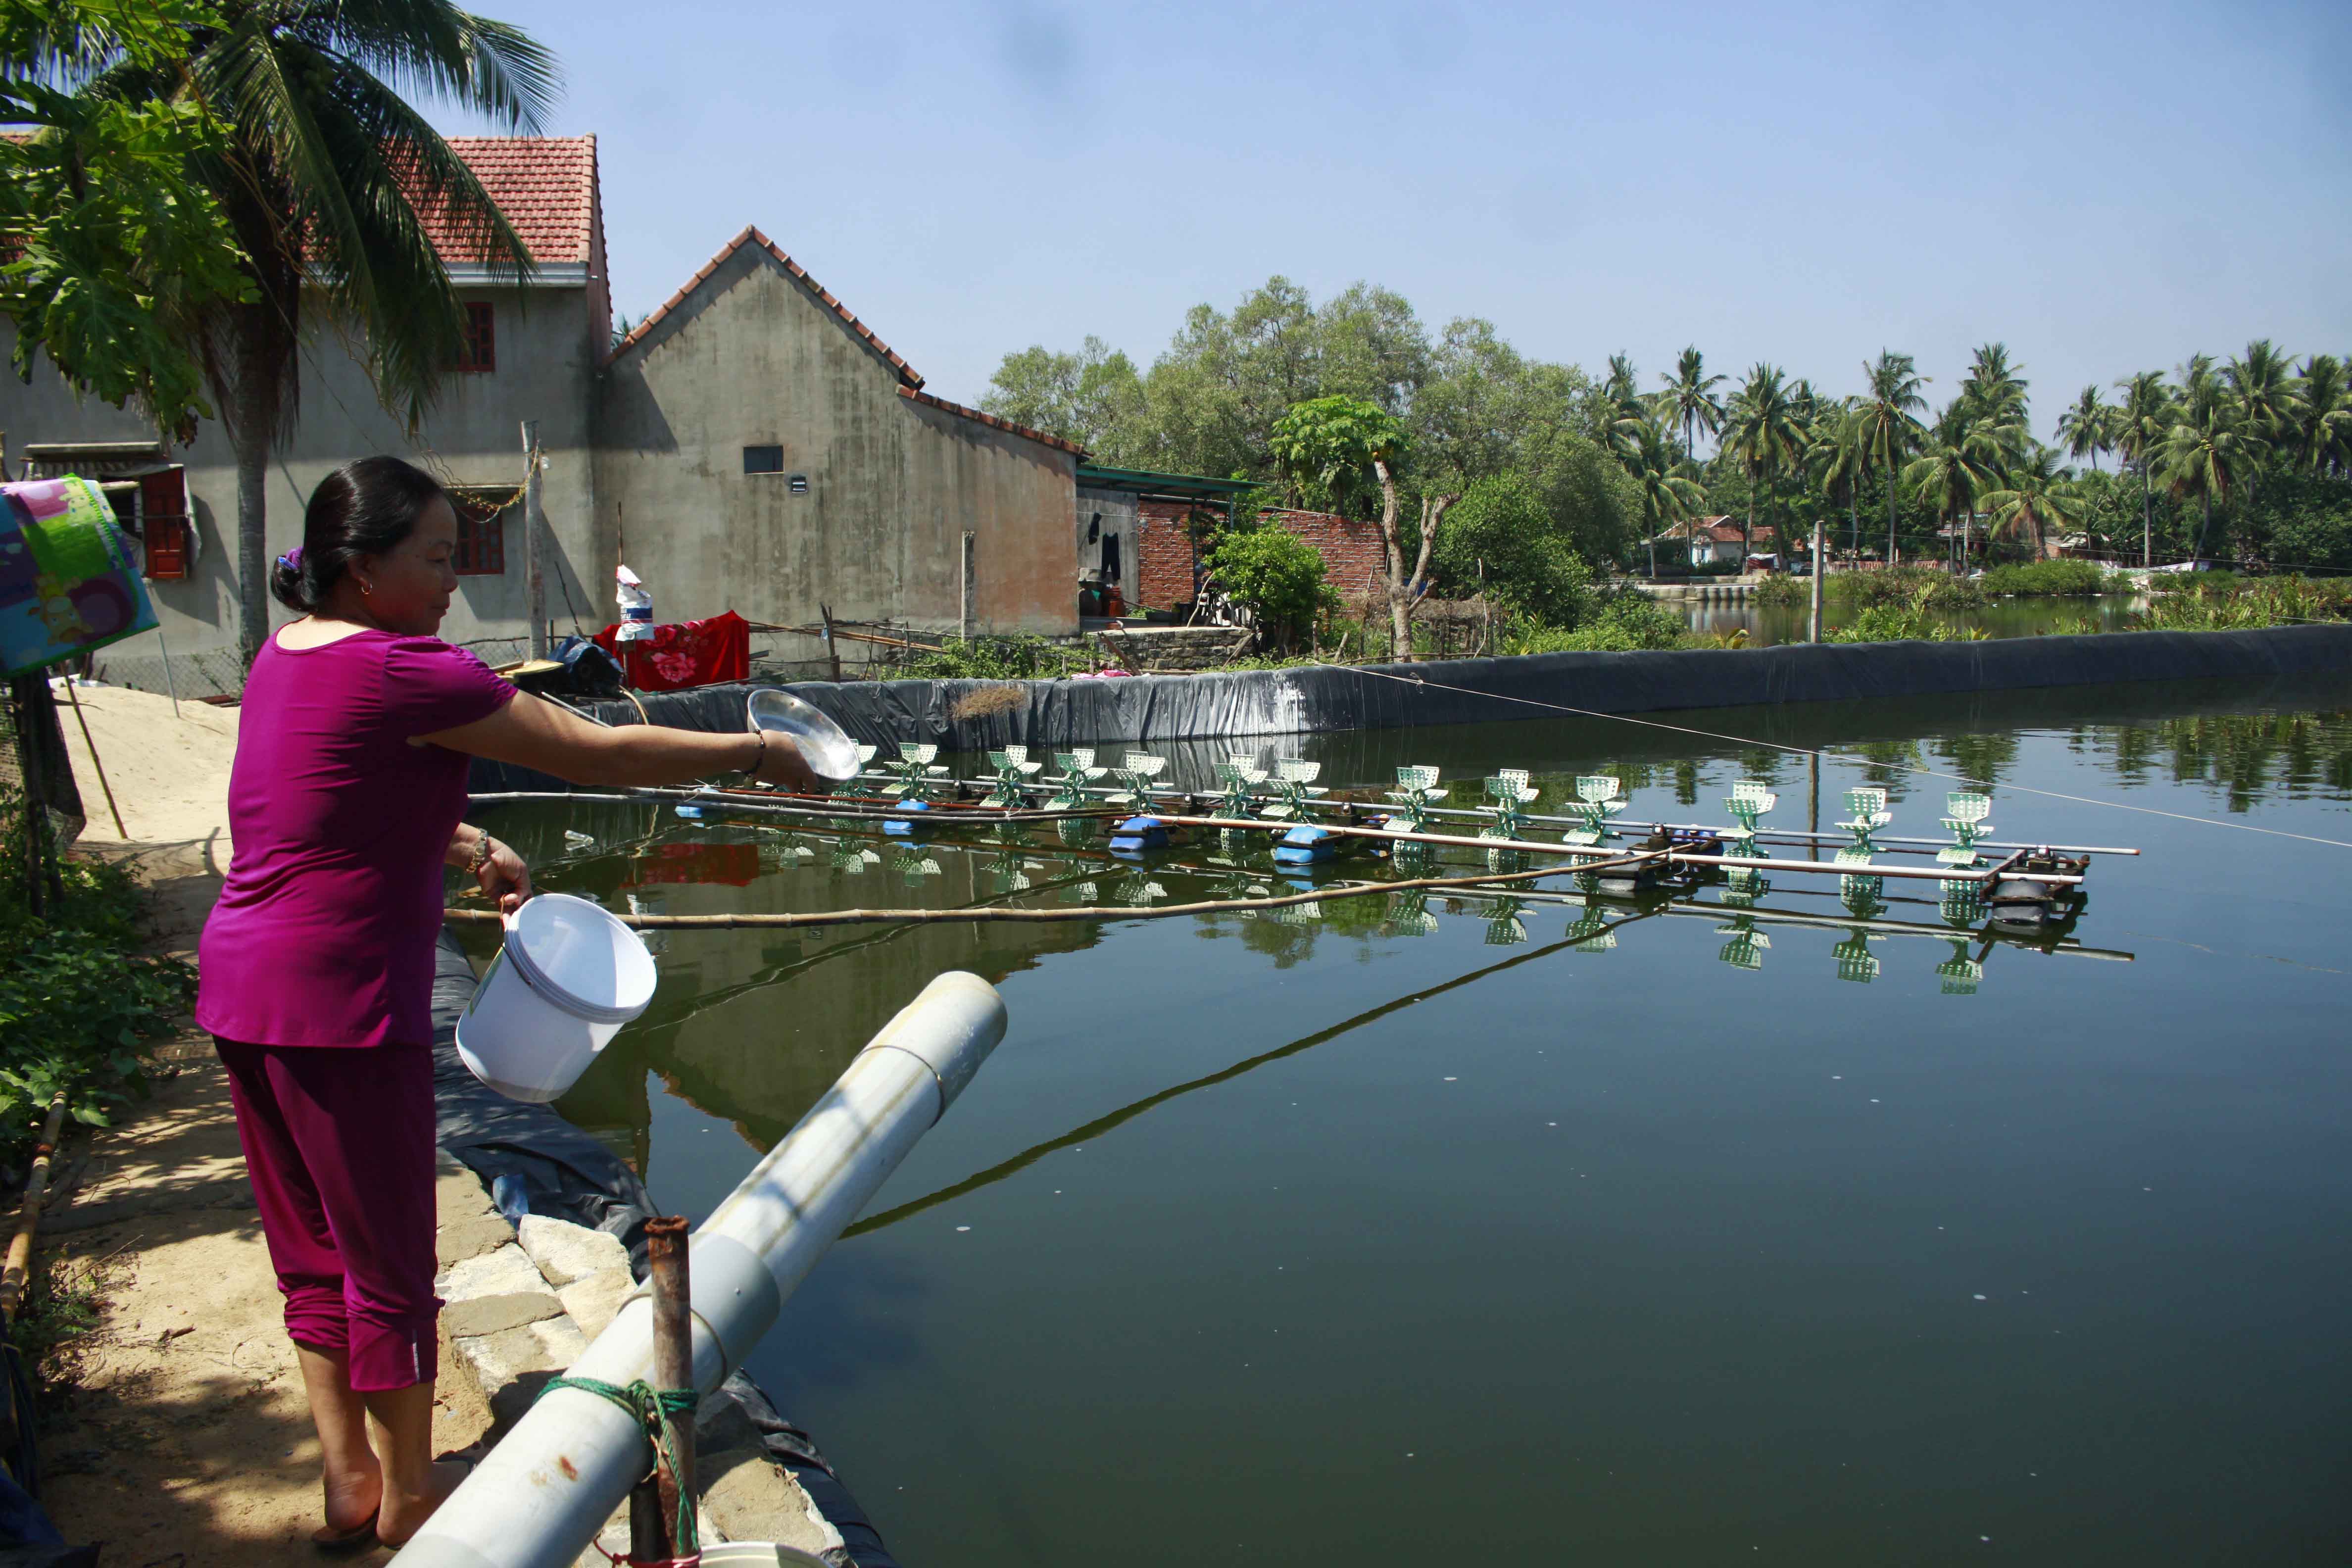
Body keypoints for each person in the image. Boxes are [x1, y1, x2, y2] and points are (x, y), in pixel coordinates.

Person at [195, 455, 823, 1551]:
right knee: (388, 1265)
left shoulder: (284, 657)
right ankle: (412, 1505)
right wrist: (761, 750)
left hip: (243, 989)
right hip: (343, 1003)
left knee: (311, 1258)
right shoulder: (405, 671)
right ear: (361, 566)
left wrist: (469, 839)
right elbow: (598, 749)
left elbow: (324, 808)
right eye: (435, 559)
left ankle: (348, 1483)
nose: (452, 583)